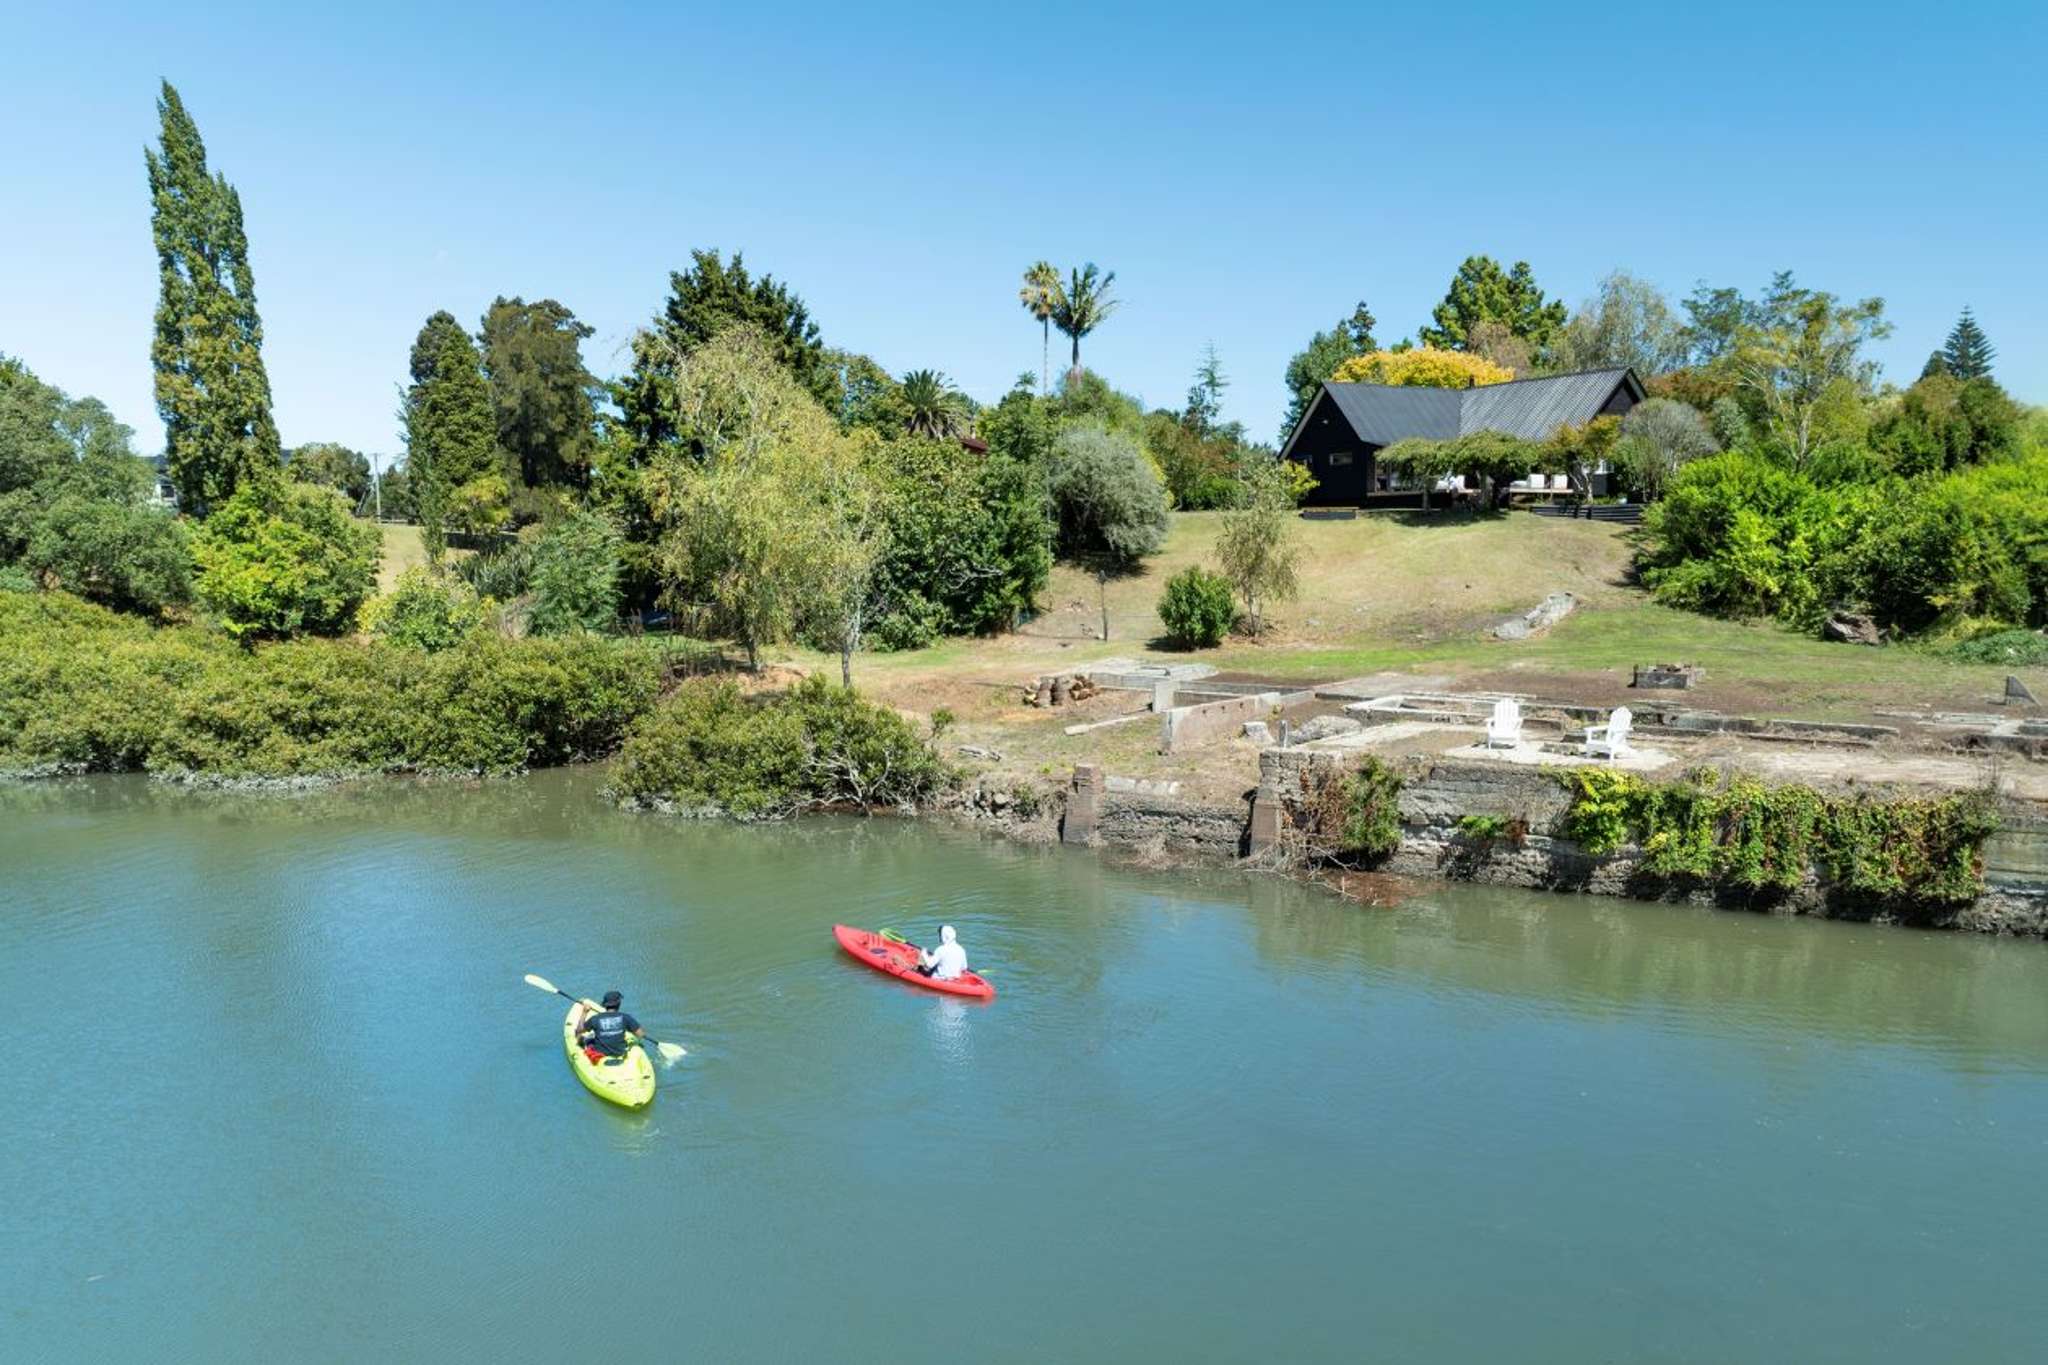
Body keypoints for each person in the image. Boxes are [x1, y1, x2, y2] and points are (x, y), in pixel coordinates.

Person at [577, 990, 642, 1060]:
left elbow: (579, 1030)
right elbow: (640, 1034)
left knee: (582, 1037)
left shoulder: (595, 1019)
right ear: (619, 1004)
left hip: (601, 1053)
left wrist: (585, 1012)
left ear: (605, 1005)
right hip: (620, 1052)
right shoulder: (626, 1017)